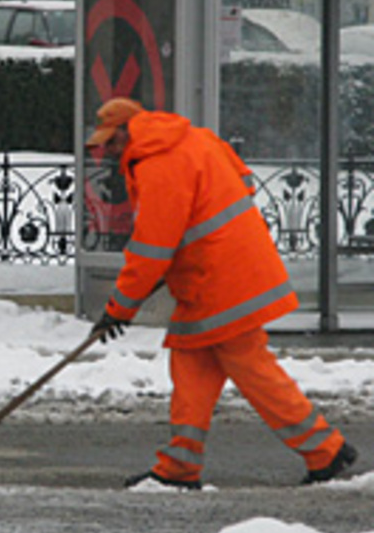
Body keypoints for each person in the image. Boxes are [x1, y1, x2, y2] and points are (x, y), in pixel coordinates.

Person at [87, 97, 357, 490]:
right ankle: (179, 466)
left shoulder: (157, 163)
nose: (109, 152)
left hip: (222, 281)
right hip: (222, 273)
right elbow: (242, 183)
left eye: (111, 143)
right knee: (191, 361)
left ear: (129, 131)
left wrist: (119, 309)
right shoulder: (194, 139)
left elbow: (150, 248)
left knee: (252, 368)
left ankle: (327, 451)